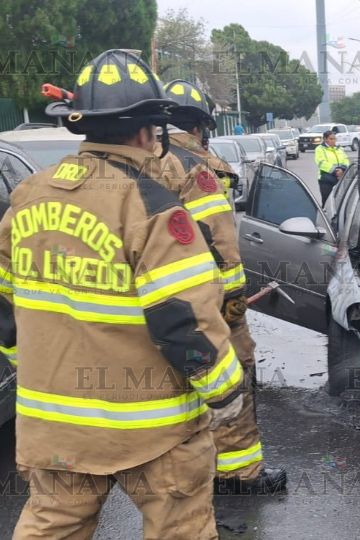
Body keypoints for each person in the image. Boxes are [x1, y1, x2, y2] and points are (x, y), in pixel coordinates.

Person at [3, 49, 242, 539]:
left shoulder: (28, 195)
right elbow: (184, 320)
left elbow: (6, 309)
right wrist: (226, 393)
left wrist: (31, 368)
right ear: (148, 132)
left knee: (51, 527)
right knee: (182, 529)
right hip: (154, 431)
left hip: (56, 429)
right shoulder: (153, 206)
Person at [160, 79, 287, 495]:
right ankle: (238, 474)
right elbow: (222, 243)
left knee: (172, 385)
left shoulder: (136, 162)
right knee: (232, 379)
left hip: (149, 305)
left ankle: (185, 469)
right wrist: (233, 309)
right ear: (200, 126)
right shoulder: (197, 170)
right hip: (202, 301)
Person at [315, 130, 350, 202]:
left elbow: (346, 160)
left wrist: (343, 169)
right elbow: (321, 163)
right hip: (326, 179)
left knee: (340, 201)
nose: (333, 141)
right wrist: (335, 171)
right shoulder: (320, 149)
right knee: (327, 201)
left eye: (334, 139)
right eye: (331, 139)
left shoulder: (339, 149)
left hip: (339, 178)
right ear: (325, 139)